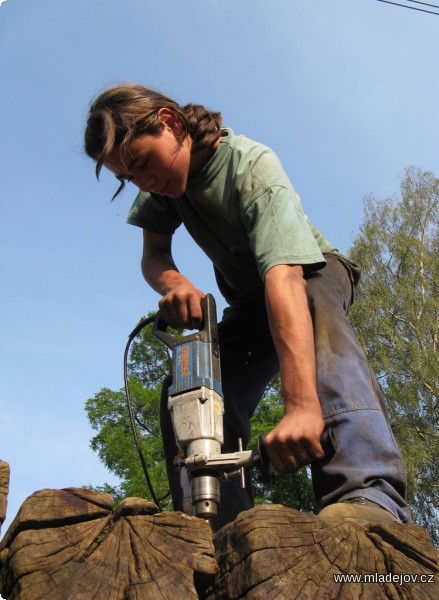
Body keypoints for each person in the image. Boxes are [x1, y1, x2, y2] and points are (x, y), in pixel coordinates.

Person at [84, 83, 411, 530]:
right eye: (129, 178)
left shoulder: (250, 165)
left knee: (317, 319)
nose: (143, 182)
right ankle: (216, 525)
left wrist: (301, 408)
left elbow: (284, 278)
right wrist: (176, 285)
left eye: (141, 163)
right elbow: (154, 256)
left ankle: (369, 492)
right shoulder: (164, 185)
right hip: (252, 301)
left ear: (170, 122)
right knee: (190, 384)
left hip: (309, 273)